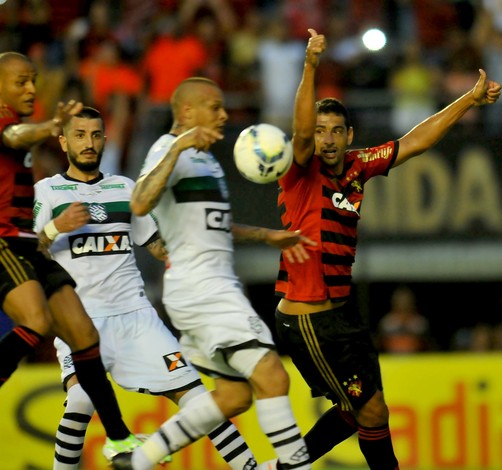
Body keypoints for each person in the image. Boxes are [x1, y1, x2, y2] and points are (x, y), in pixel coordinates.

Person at [272, 29, 501, 469]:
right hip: (309, 321)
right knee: (370, 411)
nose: (328, 139)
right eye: (321, 132)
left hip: (342, 317)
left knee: (358, 411)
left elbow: (416, 141)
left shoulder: (358, 166)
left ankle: (285, 467)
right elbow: (299, 131)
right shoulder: (299, 172)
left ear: (349, 134)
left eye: (337, 131)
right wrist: (310, 65)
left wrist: (469, 100)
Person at [34, 106, 260, 469]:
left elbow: (156, 245)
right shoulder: (47, 192)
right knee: (79, 402)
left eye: (95, 135)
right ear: (63, 142)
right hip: (80, 319)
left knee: (200, 400)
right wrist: (56, 227)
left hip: (137, 318)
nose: (88, 143)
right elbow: (27, 250)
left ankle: (249, 468)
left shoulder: (124, 189)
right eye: (79, 135)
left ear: (106, 139)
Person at [111, 77, 314, 470]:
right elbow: (138, 202)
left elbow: (210, 224)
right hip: (204, 290)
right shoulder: (168, 150)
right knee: (272, 376)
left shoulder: (204, 158)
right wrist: (177, 147)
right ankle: (296, 466)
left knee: (234, 396)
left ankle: (140, 460)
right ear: (187, 112)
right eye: (215, 106)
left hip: (202, 290)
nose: (224, 114)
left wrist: (265, 234)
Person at [0, 51, 139, 453]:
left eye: (34, 80)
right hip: (3, 241)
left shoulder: (18, 124)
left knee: (83, 334)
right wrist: (48, 126)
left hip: (26, 241)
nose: (31, 88)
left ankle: (118, 441)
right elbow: (13, 138)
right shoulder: (8, 123)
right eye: (21, 81)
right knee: (36, 319)